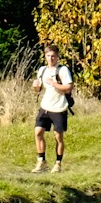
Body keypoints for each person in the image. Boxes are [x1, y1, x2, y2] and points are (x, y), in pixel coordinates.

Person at [31, 44, 73, 172]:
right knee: (38, 132)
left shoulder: (63, 70)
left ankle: (58, 163)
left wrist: (54, 83)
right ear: (45, 56)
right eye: (48, 56)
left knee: (58, 136)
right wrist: (35, 86)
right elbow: (38, 89)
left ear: (58, 57)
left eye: (53, 56)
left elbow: (68, 87)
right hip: (45, 107)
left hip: (59, 108)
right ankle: (41, 161)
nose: (51, 59)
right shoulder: (42, 70)